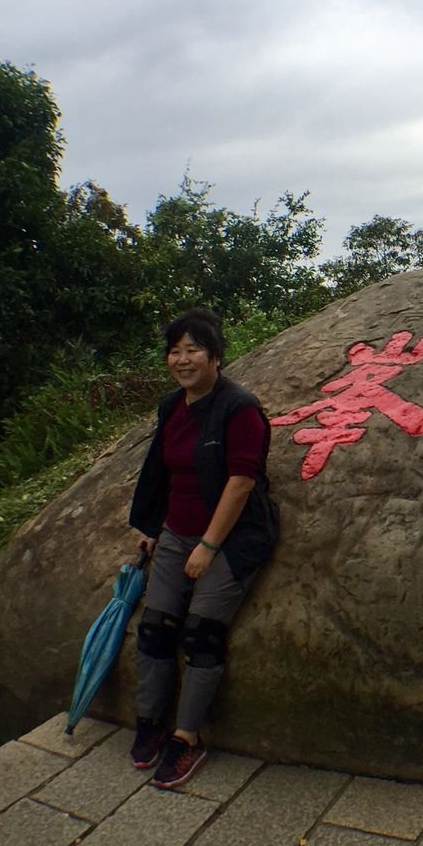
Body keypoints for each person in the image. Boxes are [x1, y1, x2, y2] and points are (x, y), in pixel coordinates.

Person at [128, 308, 278, 788]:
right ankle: (150, 721)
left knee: (202, 633)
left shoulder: (240, 408)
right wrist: (150, 525)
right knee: (155, 628)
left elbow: (240, 482)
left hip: (234, 536)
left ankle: (186, 737)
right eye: (175, 351)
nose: (183, 359)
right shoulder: (172, 405)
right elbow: (160, 467)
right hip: (177, 530)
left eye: (194, 349)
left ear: (215, 357)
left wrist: (209, 546)